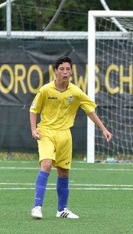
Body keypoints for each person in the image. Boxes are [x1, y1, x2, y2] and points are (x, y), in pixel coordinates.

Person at [29, 56, 112, 219]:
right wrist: (34, 129)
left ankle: (62, 210)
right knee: (46, 165)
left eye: (68, 69)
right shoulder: (46, 90)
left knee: (64, 172)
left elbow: (90, 111)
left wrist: (103, 129)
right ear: (55, 71)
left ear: (71, 72)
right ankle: (37, 207)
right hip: (46, 131)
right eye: (62, 69)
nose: (65, 72)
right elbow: (33, 110)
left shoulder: (76, 92)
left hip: (65, 135)